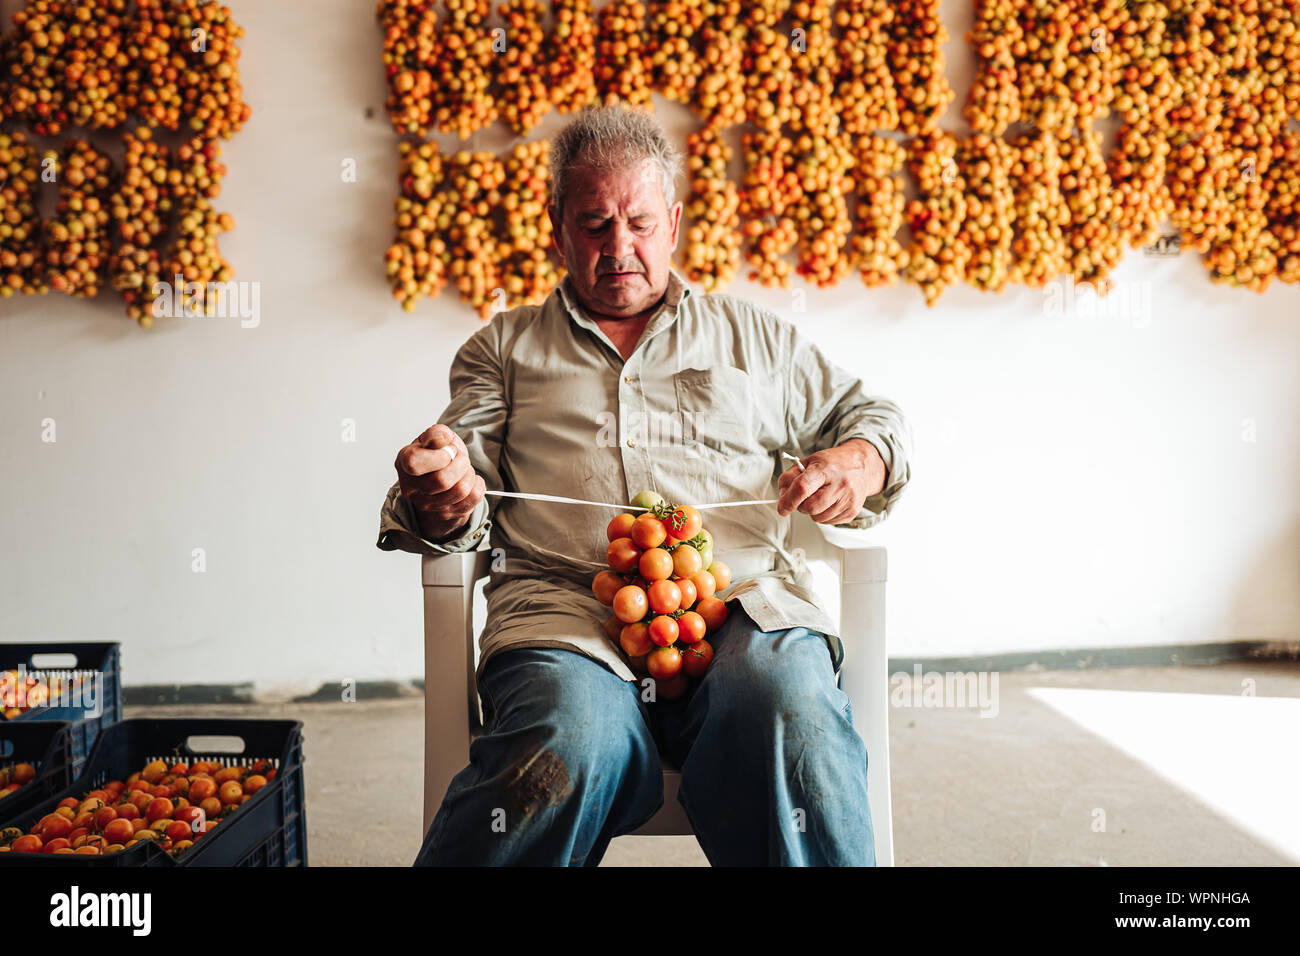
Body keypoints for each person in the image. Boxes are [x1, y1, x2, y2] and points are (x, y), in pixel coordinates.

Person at [377, 104, 912, 866]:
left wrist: (854, 464)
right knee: (562, 742)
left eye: (638, 221)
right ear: (557, 224)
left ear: (675, 222)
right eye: (593, 225)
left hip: (744, 609)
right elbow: (459, 473)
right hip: (564, 617)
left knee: (787, 708)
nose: (618, 247)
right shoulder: (504, 349)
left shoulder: (755, 337)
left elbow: (871, 417)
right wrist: (444, 491)